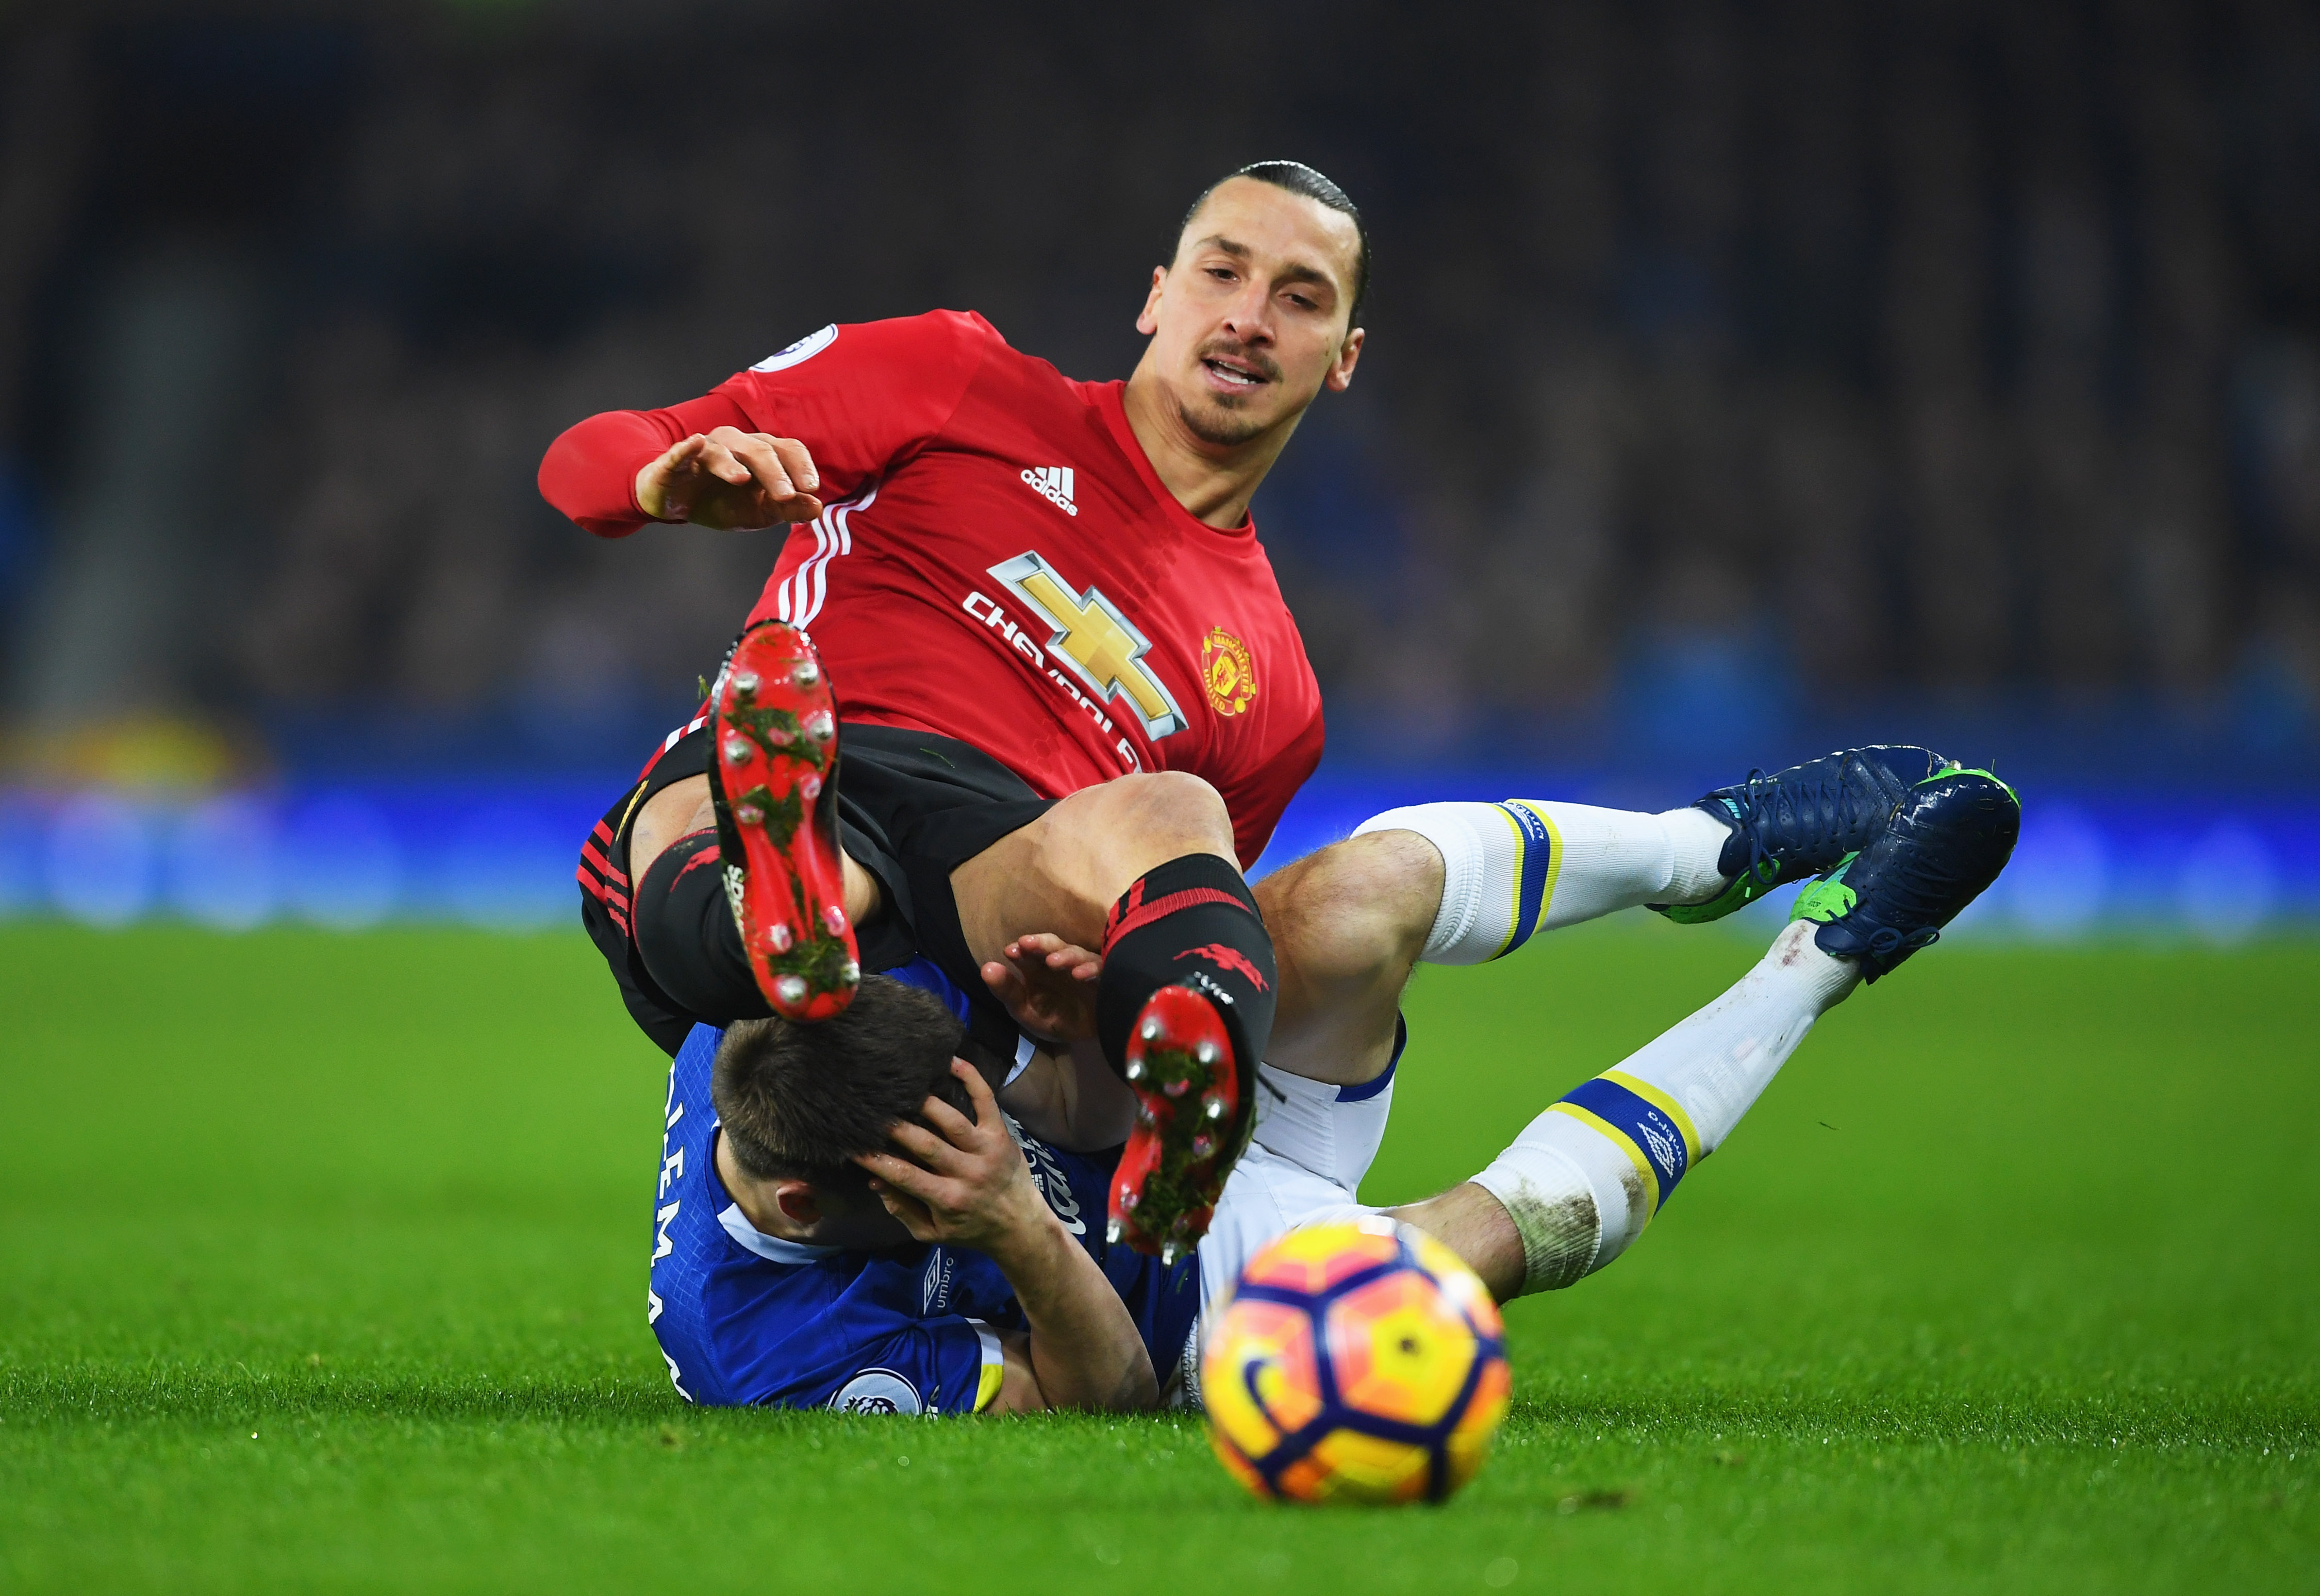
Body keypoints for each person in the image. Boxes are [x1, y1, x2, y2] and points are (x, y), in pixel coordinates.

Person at [640, 758, 2021, 1411]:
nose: (972, 1126)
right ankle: (1826, 956)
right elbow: (1100, 1398)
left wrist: (1071, 1044)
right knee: (1492, 1241)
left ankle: (1700, 851)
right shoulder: (767, 1351)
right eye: (939, 1160)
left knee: (1362, 897)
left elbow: (1064, 1101)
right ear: (812, 1209)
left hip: (1164, 1118)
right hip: (1189, 1298)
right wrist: (1014, 1222)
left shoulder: (799, 1014)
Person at [554, 160, 1373, 1249]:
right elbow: (584, 463)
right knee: (725, 810)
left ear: (1343, 356)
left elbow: (1124, 942)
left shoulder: (1278, 696)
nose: (1249, 318)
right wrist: (663, 478)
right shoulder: (957, 378)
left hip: (991, 891)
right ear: (1157, 296)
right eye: (1222, 273)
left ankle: (1188, 1103)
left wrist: (1101, 1000)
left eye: (1300, 298)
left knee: (1174, 815)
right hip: (822, 741)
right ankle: (785, 901)